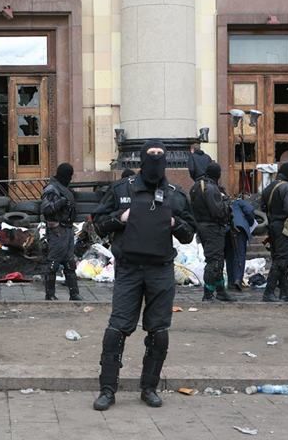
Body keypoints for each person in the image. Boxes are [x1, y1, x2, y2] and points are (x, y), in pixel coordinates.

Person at [92, 140, 196, 411]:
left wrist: (175, 223)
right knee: (116, 330)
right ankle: (107, 389)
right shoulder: (121, 190)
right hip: (129, 269)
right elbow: (99, 225)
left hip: (160, 270)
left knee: (159, 332)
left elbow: (189, 235)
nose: (156, 160)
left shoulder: (175, 195)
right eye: (151, 155)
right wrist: (121, 218)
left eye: (161, 155)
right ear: (141, 159)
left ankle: (149, 387)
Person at [189, 162, 236, 302]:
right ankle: (208, 294)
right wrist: (227, 205)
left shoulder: (196, 186)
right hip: (213, 228)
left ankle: (221, 291)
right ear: (218, 174)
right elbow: (218, 211)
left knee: (217, 260)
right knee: (214, 261)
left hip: (202, 227)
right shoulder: (211, 188)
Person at [41, 162, 83, 301]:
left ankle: (74, 294)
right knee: (53, 263)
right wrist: (61, 202)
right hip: (57, 230)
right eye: (69, 176)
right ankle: (50, 294)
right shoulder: (52, 189)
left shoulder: (64, 188)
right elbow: (46, 209)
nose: (70, 179)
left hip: (68, 230)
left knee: (70, 263)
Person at [261, 162, 288, 302]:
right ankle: (269, 292)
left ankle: (284, 292)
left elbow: (262, 206)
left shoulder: (269, 187)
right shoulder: (287, 187)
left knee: (280, 258)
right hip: (284, 227)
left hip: (272, 226)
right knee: (281, 259)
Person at [224, 198, 256, 291]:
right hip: (239, 228)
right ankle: (238, 279)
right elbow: (250, 210)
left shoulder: (224, 202)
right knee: (239, 254)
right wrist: (250, 222)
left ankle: (230, 281)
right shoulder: (239, 202)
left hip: (227, 229)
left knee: (229, 255)